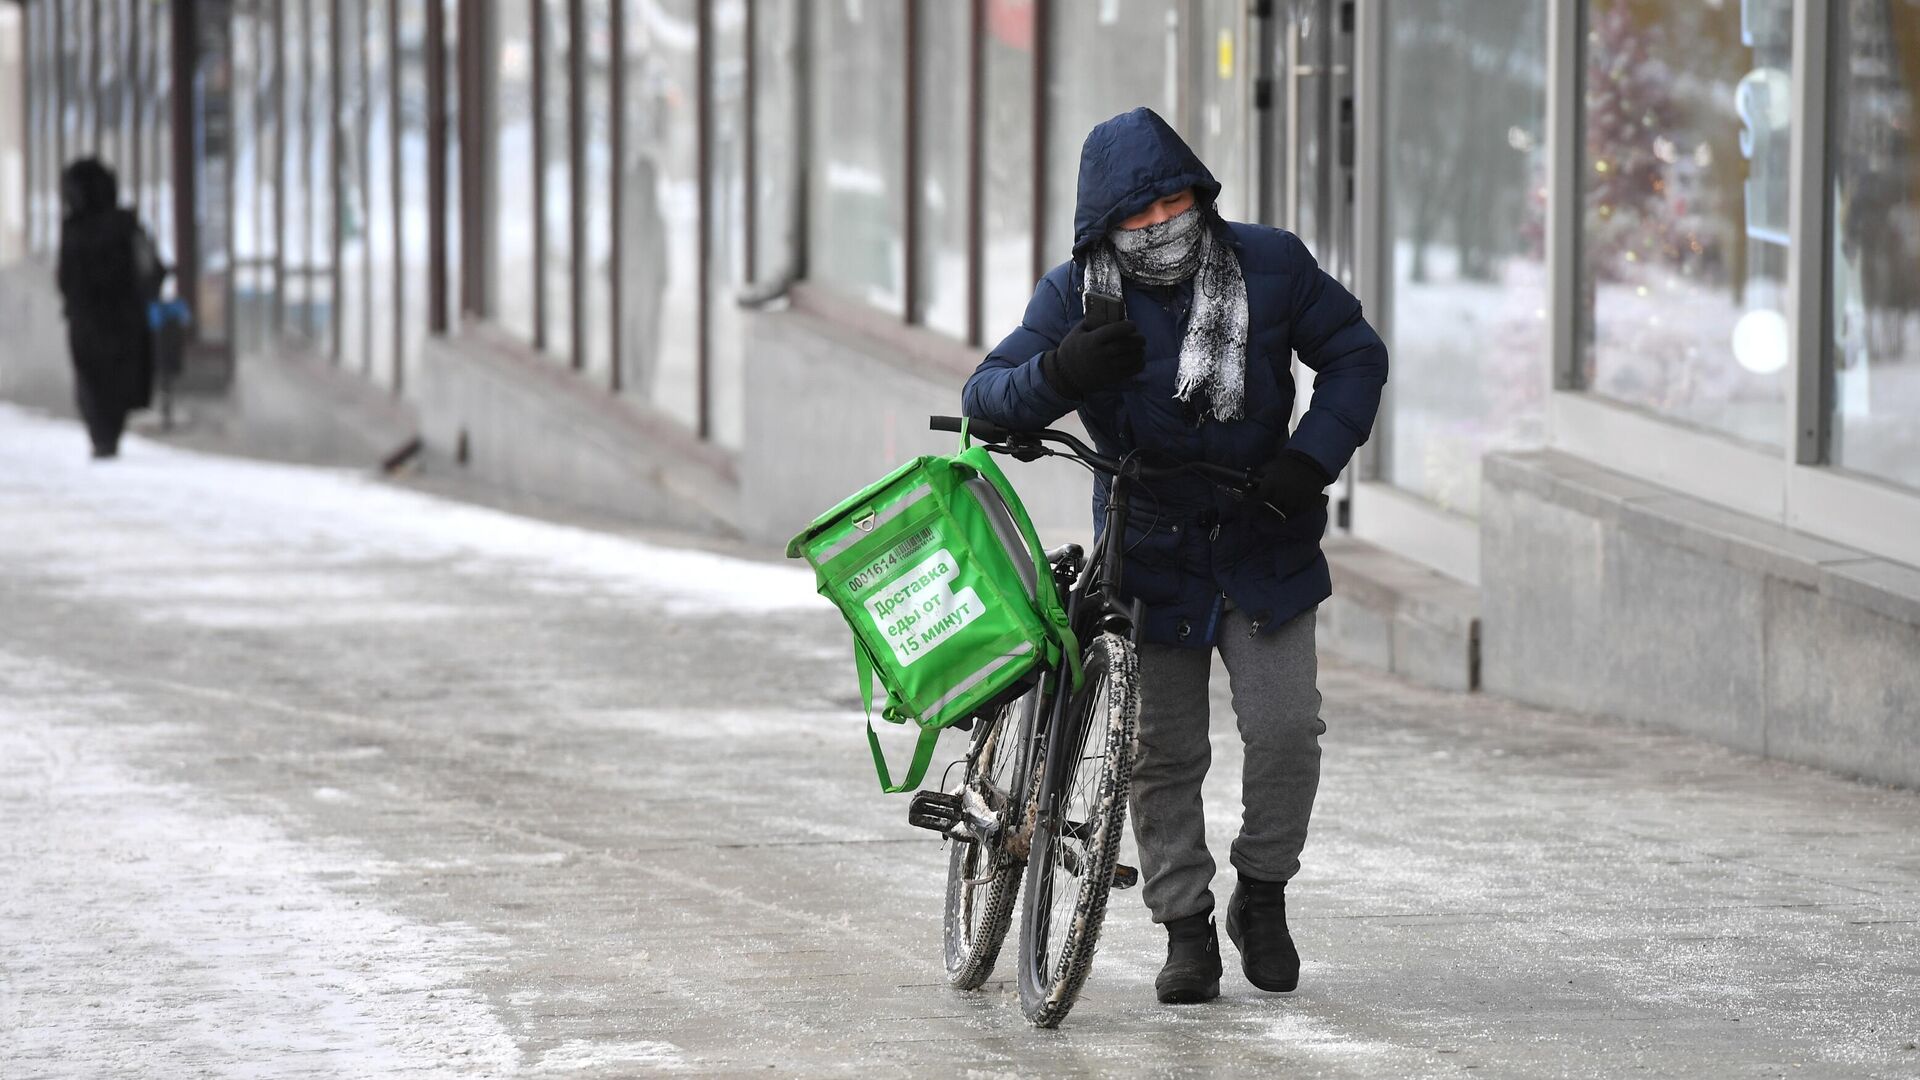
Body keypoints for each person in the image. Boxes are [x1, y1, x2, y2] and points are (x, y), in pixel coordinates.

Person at [961, 108, 1387, 1004]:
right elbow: (986, 400)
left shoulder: (1270, 264)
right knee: (1161, 753)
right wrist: (1063, 375)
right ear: (1103, 227)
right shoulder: (1077, 297)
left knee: (1285, 734)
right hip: (1149, 544)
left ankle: (1261, 897)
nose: (1160, 227)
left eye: (1173, 204)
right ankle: (1185, 926)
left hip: (1260, 532)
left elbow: (1353, 353)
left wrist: (1309, 462)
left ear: (1200, 192)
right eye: (1138, 217)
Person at [56, 158, 164, 459]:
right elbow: (150, 269)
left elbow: (65, 277)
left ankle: (102, 435)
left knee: (93, 379)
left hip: (89, 321)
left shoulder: (74, 228)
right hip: (123, 319)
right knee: (117, 377)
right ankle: (108, 434)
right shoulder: (124, 224)